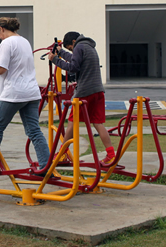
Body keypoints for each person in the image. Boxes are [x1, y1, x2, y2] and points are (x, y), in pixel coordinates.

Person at [0, 17, 50, 174]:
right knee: (34, 131)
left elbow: (1, 70)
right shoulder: (24, 41)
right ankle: (46, 165)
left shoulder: (6, 43)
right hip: (32, 92)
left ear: (2, 28)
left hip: (14, 93)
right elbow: (15, 62)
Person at [48, 31, 116, 166]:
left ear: (73, 42)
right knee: (98, 122)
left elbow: (73, 67)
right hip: (98, 90)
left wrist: (55, 60)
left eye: (70, 48)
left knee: (72, 122)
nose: (71, 51)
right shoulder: (88, 46)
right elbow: (75, 59)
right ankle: (111, 154)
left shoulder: (79, 47)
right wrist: (61, 52)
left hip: (85, 92)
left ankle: (62, 153)